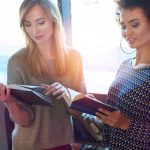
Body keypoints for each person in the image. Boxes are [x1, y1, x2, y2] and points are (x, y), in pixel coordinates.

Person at [0, 0, 86, 149]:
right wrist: (10, 102)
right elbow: (25, 120)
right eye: (28, 24)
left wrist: (67, 94)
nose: (34, 31)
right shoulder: (17, 62)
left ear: (54, 20)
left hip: (63, 143)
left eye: (40, 22)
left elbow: (78, 112)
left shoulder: (74, 57)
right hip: (28, 145)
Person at [95, 0, 150, 149]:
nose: (127, 32)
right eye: (123, 26)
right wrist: (92, 107)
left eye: (135, 24)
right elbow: (112, 120)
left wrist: (125, 123)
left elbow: (122, 121)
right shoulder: (125, 65)